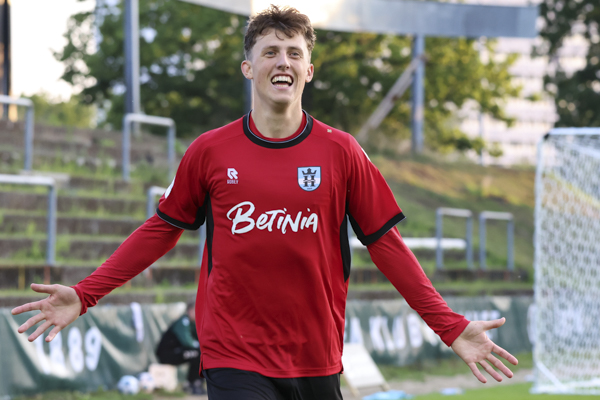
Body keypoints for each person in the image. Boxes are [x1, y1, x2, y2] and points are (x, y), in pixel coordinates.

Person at [12, 5, 518, 400]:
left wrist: (449, 326)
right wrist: (86, 294)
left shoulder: (342, 152)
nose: (283, 62)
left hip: (317, 356)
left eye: (294, 53)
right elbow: (161, 229)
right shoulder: (210, 151)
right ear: (248, 67)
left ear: (309, 70)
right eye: (271, 51)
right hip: (233, 353)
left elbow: (387, 246)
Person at [156, 301, 205, 395]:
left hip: (177, 352)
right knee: (197, 354)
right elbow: (187, 342)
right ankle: (191, 384)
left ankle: (197, 383)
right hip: (167, 354)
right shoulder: (183, 322)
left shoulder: (192, 323)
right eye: (195, 310)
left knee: (200, 354)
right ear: (189, 310)